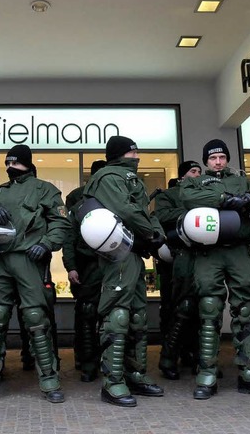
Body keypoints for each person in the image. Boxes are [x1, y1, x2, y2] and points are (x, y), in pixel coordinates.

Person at [181, 139, 250, 400]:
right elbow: (188, 198)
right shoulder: (195, 182)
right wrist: (224, 199)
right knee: (209, 309)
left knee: (245, 308)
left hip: (238, 250)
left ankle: (249, 373)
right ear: (205, 161)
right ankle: (207, 373)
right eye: (213, 158)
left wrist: (249, 201)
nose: (218, 162)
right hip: (209, 252)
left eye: (222, 157)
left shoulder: (244, 182)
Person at [0, 144, 70, 404]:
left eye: (15, 163)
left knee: (36, 318)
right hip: (0, 261)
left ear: (27, 164)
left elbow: (61, 223)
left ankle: (49, 379)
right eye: (7, 162)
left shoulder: (45, 190)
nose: (10, 167)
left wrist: (47, 244)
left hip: (30, 259)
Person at [83, 135, 165, 407]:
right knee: (117, 315)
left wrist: (155, 235)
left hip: (134, 253)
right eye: (133, 152)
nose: (137, 156)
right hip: (118, 254)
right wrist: (151, 233)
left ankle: (136, 375)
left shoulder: (129, 178)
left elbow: (143, 211)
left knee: (139, 317)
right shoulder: (108, 177)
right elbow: (126, 210)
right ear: (121, 154)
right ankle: (112, 382)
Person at [155, 160, 202, 381]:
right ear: (182, 177)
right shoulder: (169, 195)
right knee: (181, 308)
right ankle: (169, 358)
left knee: (203, 310)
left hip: (204, 256)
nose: (197, 175)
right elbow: (160, 217)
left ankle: (198, 357)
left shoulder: (207, 194)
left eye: (200, 172)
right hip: (178, 257)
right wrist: (190, 209)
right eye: (193, 172)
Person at [63, 159, 106, 382]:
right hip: (88, 264)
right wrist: (71, 266)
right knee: (87, 313)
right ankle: (88, 362)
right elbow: (69, 237)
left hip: (108, 263)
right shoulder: (78, 199)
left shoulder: (116, 197)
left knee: (106, 315)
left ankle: (100, 363)